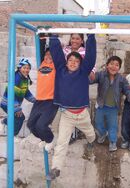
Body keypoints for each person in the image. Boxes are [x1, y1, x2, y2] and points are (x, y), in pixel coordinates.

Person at [46, 34, 96, 180]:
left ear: (81, 64)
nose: (73, 62)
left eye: (76, 61)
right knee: (62, 142)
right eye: (70, 60)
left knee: (90, 132)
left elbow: (91, 57)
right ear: (66, 62)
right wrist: (53, 38)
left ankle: (92, 141)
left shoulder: (82, 73)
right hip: (67, 115)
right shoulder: (61, 70)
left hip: (82, 115)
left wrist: (91, 37)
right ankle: (56, 168)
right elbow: (56, 54)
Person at [90, 56, 130, 152]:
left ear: (119, 68)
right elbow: (91, 80)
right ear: (107, 65)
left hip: (113, 108)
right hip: (101, 106)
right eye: (111, 64)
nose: (113, 67)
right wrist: (91, 74)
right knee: (97, 124)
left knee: (113, 126)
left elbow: (128, 90)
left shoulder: (121, 79)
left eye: (116, 65)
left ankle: (112, 142)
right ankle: (102, 134)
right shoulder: (101, 75)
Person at [63, 33, 96, 143]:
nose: (75, 41)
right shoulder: (65, 50)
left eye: (78, 39)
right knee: (69, 107)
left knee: (78, 104)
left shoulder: (84, 51)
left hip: (80, 80)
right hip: (68, 80)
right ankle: (71, 133)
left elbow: (91, 63)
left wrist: (92, 72)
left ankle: (80, 131)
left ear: (82, 41)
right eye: (73, 38)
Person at [27, 48, 58, 151]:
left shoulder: (56, 66)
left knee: (41, 125)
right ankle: (44, 139)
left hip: (50, 101)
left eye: (51, 55)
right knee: (30, 125)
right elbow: (41, 44)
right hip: (39, 100)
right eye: (47, 54)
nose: (48, 56)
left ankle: (50, 140)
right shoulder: (41, 63)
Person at [0, 58, 36, 136]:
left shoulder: (24, 79)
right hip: (7, 103)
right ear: (19, 68)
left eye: (28, 68)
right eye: (24, 68)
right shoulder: (16, 78)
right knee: (20, 118)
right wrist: (16, 109)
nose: (26, 70)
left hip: (12, 104)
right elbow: (12, 94)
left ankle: (5, 122)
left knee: (19, 118)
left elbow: (26, 92)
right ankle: (12, 134)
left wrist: (34, 100)